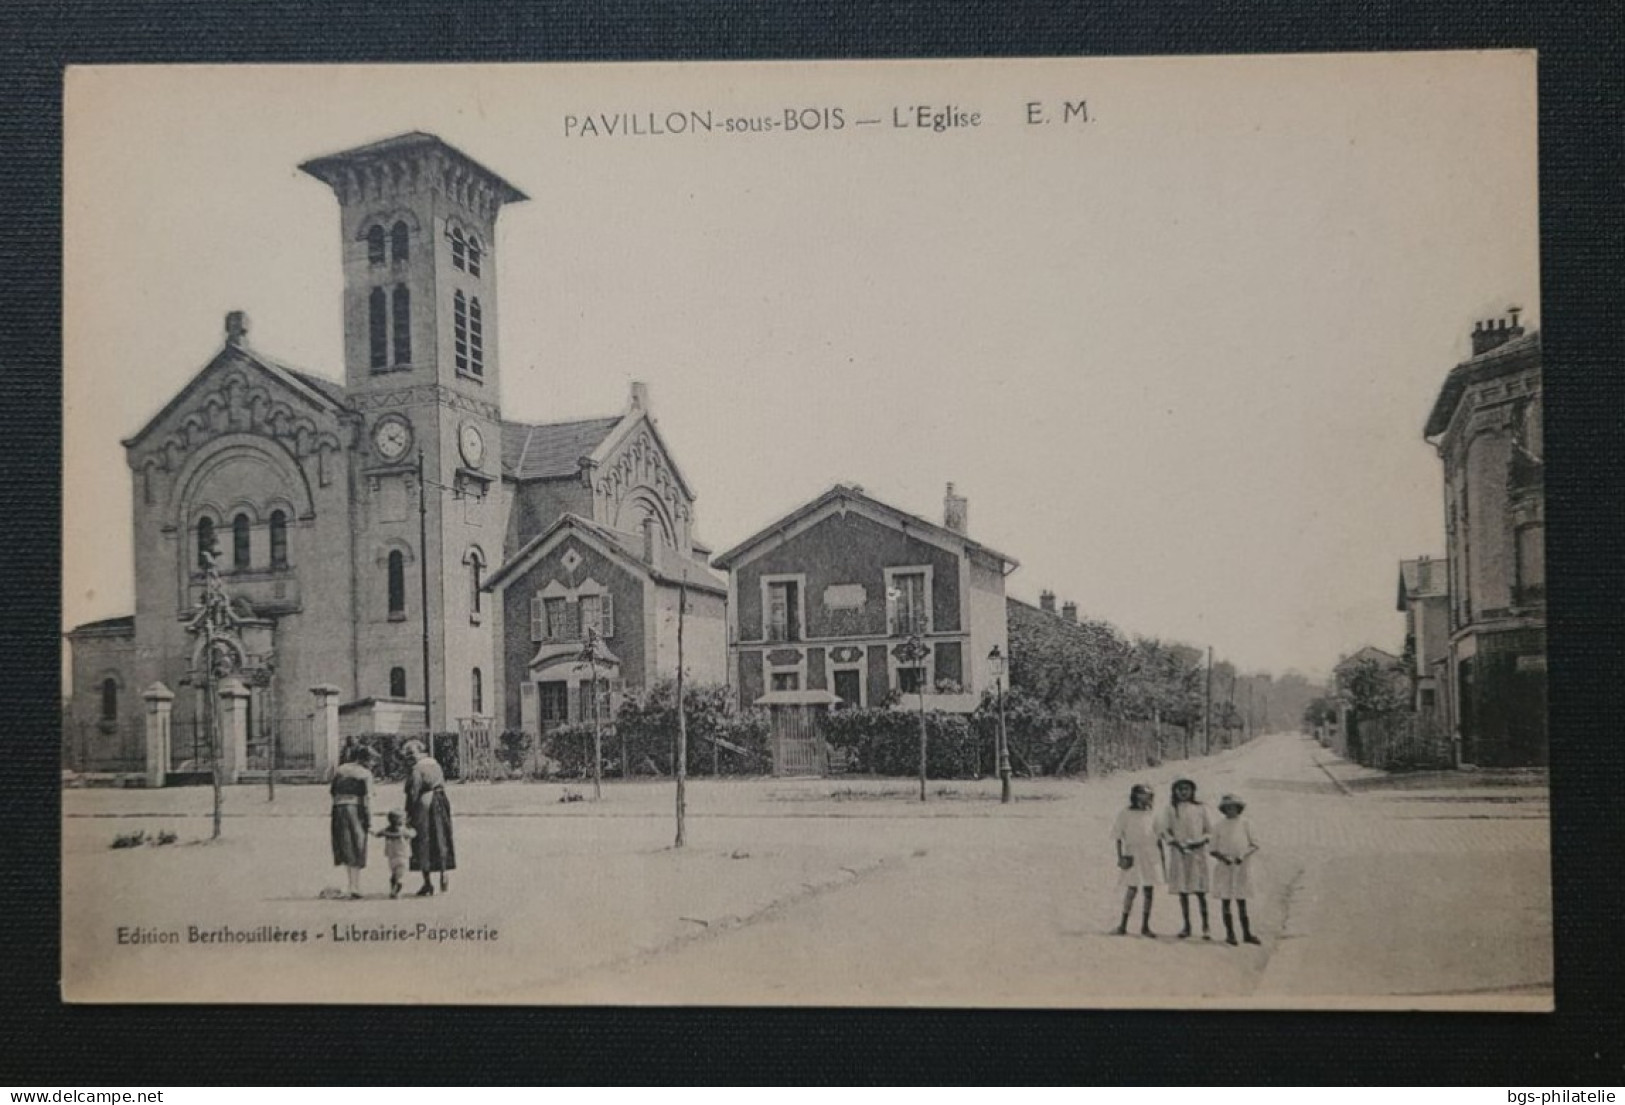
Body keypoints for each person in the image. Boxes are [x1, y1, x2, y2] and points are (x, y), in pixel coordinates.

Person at [1156, 777, 1213, 939]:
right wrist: (1175, 842)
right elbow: (1164, 831)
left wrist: (1198, 842)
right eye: (1179, 789)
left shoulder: (1201, 808)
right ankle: (1187, 925)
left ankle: (1205, 926)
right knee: (1183, 890)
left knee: (1200, 890)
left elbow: (1209, 830)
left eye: (1186, 789)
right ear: (1174, 791)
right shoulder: (1170, 809)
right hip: (1179, 853)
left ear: (1192, 791)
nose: (1183, 792)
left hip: (1197, 853)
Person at [402, 739, 456, 896]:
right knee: (441, 838)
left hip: (425, 804)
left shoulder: (417, 769)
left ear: (420, 752)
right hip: (441, 801)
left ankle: (427, 883)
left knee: (422, 841)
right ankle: (444, 873)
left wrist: (409, 814)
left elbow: (413, 792)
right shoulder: (435, 764)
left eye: (411, 753)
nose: (409, 757)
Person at [1110, 783, 1162, 936]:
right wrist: (1120, 857)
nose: (1144, 797)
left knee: (1148, 889)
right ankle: (1123, 925)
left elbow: (1159, 836)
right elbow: (1118, 836)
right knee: (1132, 889)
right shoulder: (1126, 813)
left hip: (1150, 854)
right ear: (1134, 795)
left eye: (1147, 795)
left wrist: (1161, 861)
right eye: (1141, 794)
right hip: (1132, 853)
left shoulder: (1153, 813)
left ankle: (1145, 926)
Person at [1211, 793, 1262, 945]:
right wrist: (1223, 858)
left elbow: (1254, 844)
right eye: (1227, 808)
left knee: (1241, 900)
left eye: (1233, 807)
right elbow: (1212, 849)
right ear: (1223, 809)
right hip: (1225, 867)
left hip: (1242, 866)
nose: (1230, 810)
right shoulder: (1218, 826)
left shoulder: (1246, 823)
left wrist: (1242, 855)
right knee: (1226, 900)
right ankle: (1230, 933)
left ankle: (1246, 933)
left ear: (1239, 808)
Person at [329, 745, 375, 899]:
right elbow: (367, 799)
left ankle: (352, 884)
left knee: (345, 846)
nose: (373, 764)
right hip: (355, 810)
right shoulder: (366, 774)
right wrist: (370, 821)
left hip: (338, 809)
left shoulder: (340, 770)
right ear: (365, 759)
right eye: (371, 760)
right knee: (357, 846)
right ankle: (355, 887)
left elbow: (333, 791)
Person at [373, 809, 417, 899]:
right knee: (400, 874)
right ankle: (398, 887)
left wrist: (373, 832)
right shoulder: (404, 831)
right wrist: (412, 829)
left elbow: (378, 834)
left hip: (391, 857)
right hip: (403, 856)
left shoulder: (387, 830)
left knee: (394, 873)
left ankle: (393, 888)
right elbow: (413, 834)